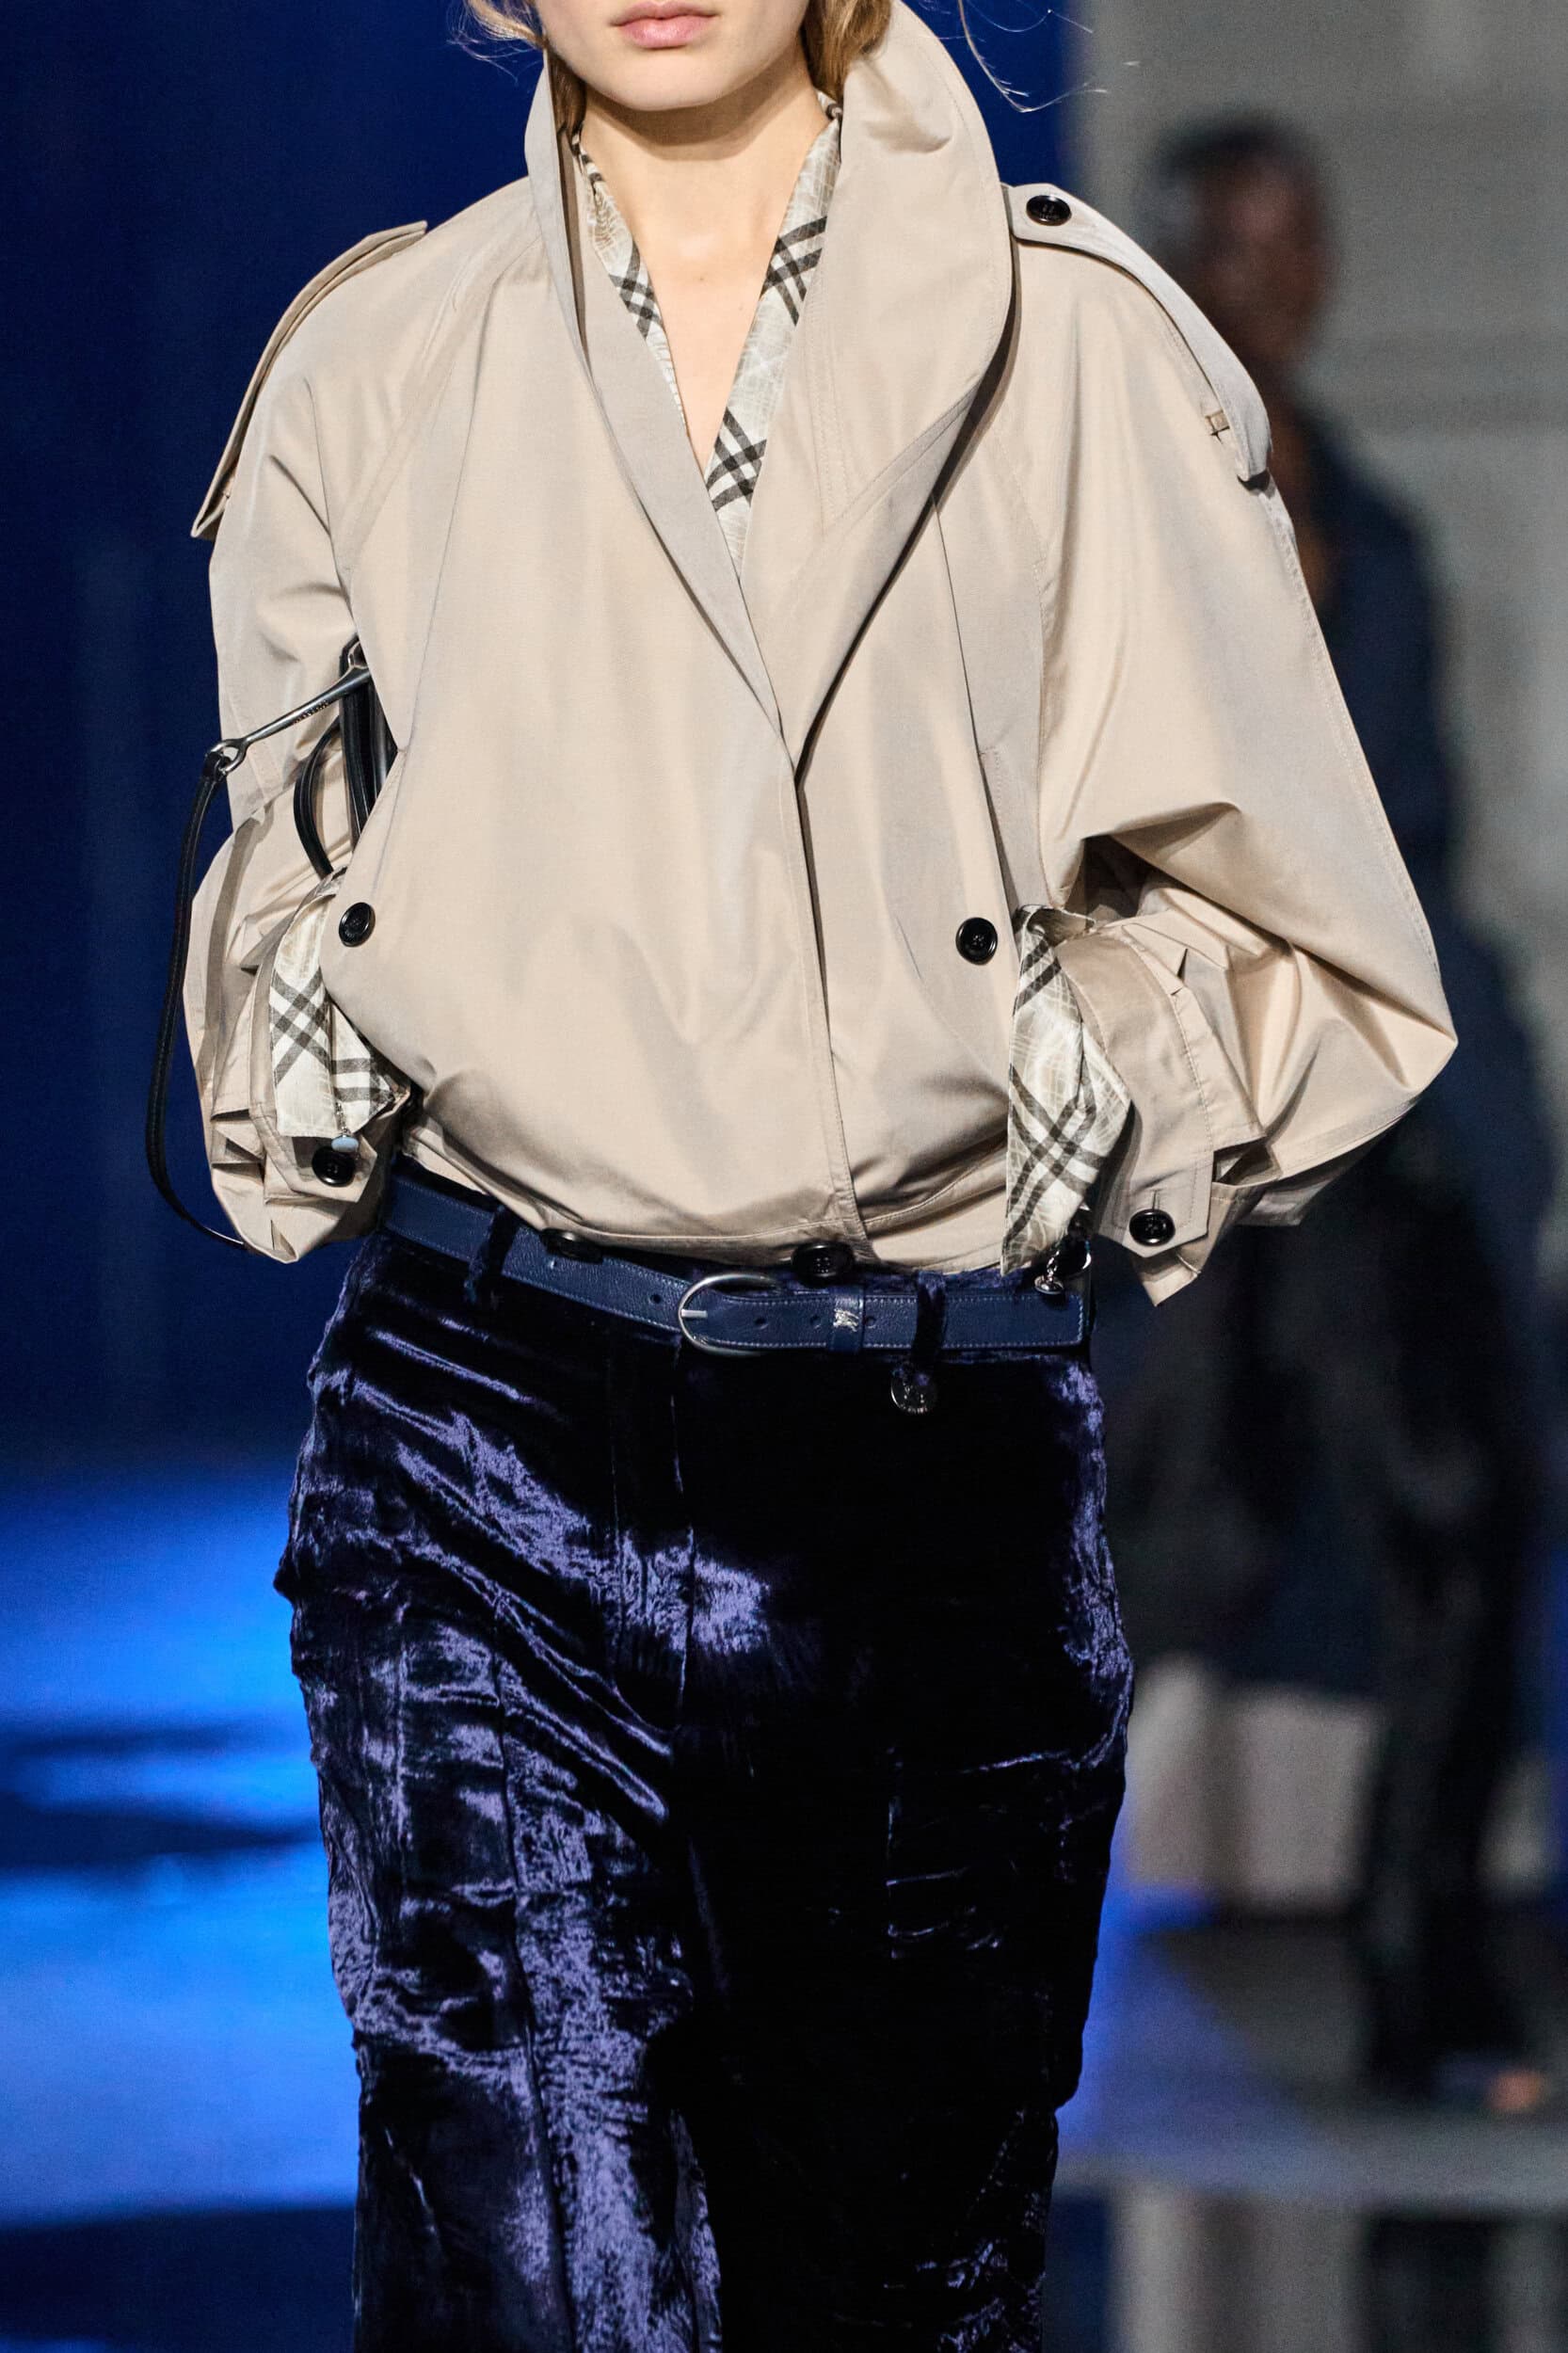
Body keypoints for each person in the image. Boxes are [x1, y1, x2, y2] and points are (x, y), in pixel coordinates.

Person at [179, 3, 1453, 2342]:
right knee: (523, 2281)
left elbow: (1313, 939)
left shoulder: (1073, 358)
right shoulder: (381, 363)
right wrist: (317, 1005)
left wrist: (1102, 1053)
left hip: (920, 1461)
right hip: (476, 1444)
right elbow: (285, 869)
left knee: (887, 2296)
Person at [1101, 117, 1555, 2110]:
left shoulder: (1367, 518)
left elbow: (1417, 828)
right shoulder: (1107, 511)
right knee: (1109, 1557)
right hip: (1197, 1123)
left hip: (1388, 1117)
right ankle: (881, 1986)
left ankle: (1419, 1969)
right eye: (1230, 242)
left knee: (1465, 1523)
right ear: (1170, 264)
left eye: (1296, 242)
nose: (1267, 279)